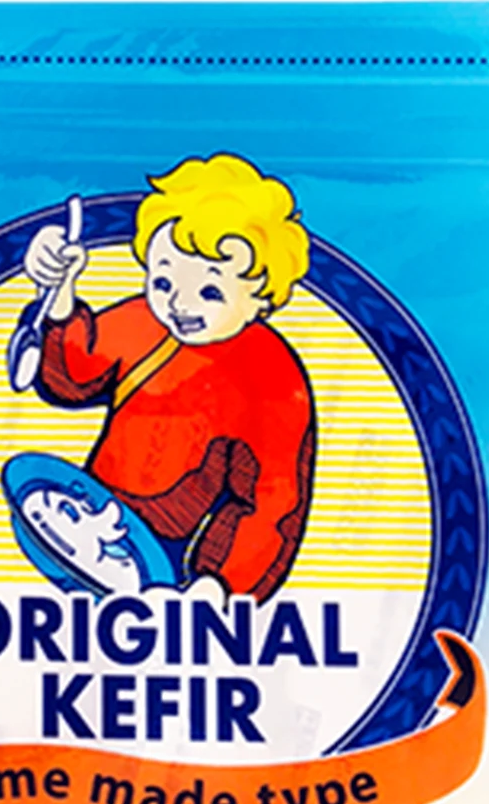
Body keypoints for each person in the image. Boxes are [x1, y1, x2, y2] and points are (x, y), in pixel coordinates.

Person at [24, 154, 315, 604]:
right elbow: (75, 376)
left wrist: (218, 585)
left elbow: (272, 503)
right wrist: (58, 292)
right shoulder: (145, 320)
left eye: (210, 291)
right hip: (87, 506)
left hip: (166, 550)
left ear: (262, 296)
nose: (179, 305)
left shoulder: (274, 379)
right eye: (163, 283)